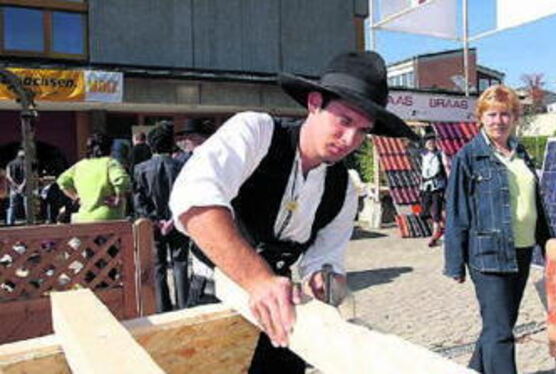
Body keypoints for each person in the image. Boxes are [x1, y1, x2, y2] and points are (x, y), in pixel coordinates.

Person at [169, 50, 417, 373]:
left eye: (362, 130)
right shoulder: (256, 132)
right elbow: (194, 200)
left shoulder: (343, 190)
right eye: (344, 121)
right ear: (314, 103)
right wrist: (258, 280)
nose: (350, 139)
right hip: (217, 300)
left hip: (284, 313)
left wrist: (325, 280)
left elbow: (325, 259)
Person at [443, 84, 553, 374]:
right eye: (491, 114)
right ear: (480, 117)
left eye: (505, 114)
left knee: (499, 325)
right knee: (501, 330)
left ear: (515, 118)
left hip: (522, 250)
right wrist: (455, 262)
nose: (498, 121)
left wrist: (548, 244)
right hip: (488, 254)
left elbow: (535, 203)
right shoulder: (469, 156)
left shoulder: (521, 153)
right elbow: (455, 211)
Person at [133, 123, 189, 312]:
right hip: (178, 222)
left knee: (159, 265)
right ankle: (184, 306)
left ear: (151, 145)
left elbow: (139, 201)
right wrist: (172, 219)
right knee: (180, 263)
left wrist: (156, 220)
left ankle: (162, 308)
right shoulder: (181, 166)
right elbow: (188, 196)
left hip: (154, 225)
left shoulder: (140, 169)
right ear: (171, 144)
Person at [57, 133, 131, 223]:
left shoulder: (79, 165)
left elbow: (62, 181)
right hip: (108, 218)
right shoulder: (110, 163)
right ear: (110, 148)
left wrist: (76, 197)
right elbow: (121, 180)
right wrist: (118, 198)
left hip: (83, 219)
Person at [419, 132, 447, 247]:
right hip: (426, 186)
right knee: (424, 213)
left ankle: (435, 235)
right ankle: (441, 228)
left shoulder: (440, 155)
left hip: (438, 186)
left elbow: (446, 168)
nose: (431, 144)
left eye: (433, 142)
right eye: (428, 142)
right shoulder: (423, 155)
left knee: (436, 212)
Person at [5, 150, 27, 225]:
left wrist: (15, 185)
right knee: (27, 204)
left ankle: (10, 222)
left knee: (12, 205)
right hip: (24, 188)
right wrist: (22, 185)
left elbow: (8, 176)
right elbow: (27, 176)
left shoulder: (10, 164)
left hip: (13, 188)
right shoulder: (25, 164)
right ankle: (30, 221)